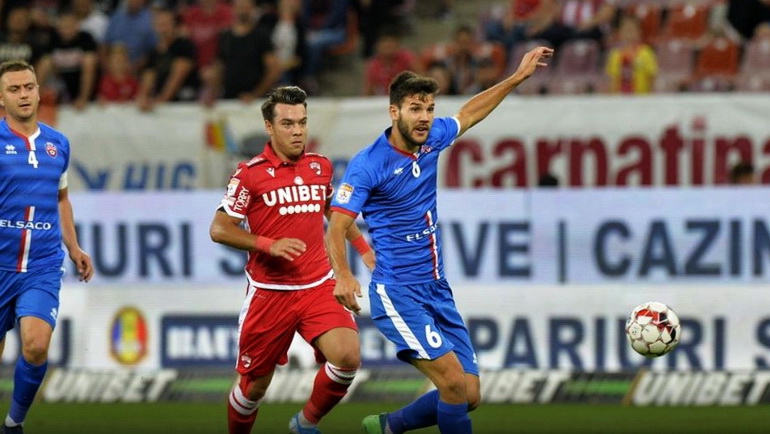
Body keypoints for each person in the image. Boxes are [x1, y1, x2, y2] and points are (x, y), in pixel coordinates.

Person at [326, 45, 553, 434]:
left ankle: (389, 426)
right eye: (415, 109)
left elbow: (469, 113)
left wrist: (516, 78)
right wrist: (343, 275)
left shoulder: (432, 138)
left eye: (430, 109)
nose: (425, 118)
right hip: (398, 292)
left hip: (436, 288)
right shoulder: (369, 164)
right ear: (394, 112)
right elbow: (336, 223)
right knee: (451, 383)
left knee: (469, 393)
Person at [209, 85, 375, 434]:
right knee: (253, 389)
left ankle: (305, 423)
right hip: (270, 293)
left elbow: (335, 213)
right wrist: (268, 244)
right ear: (269, 127)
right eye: (288, 123)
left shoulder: (320, 166)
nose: (298, 131)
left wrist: (364, 248)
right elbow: (220, 229)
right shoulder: (249, 174)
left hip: (318, 285)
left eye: (302, 122)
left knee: (347, 358)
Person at [0, 59, 94, 434]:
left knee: (36, 346)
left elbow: (62, 199)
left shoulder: (59, 143)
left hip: (41, 265)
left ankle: (14, 423)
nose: (23, 95)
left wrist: (74, 247)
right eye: (14, 89)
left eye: (29, 87)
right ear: (1, 98)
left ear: (39, 91)